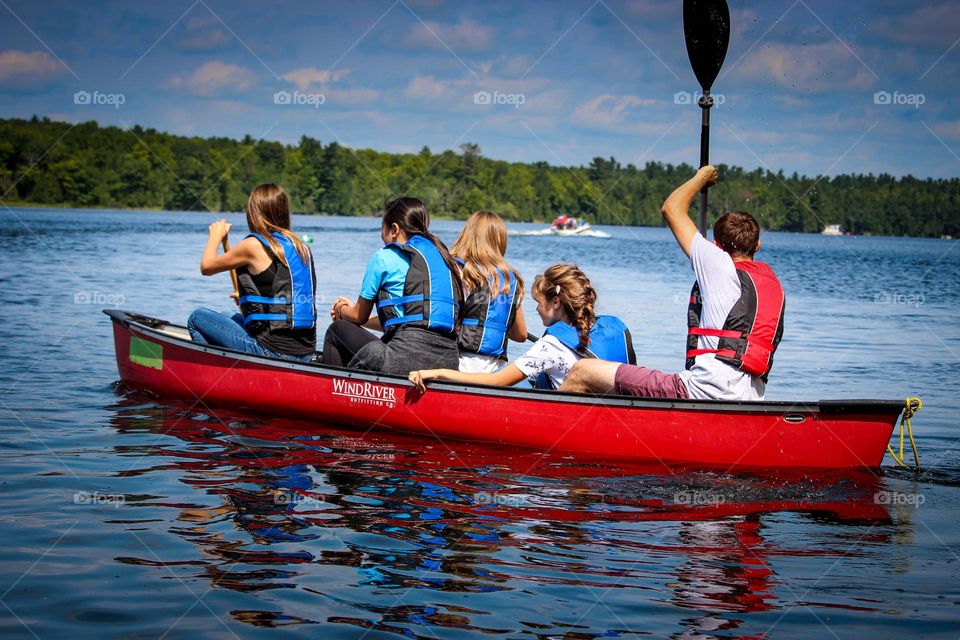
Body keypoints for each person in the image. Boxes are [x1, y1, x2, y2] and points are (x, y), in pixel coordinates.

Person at [561, 165, 785, 400]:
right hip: (750, 397)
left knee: (582, 370)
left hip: (702, 391)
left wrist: (701, 178)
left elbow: (671, 208)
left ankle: (559, 430)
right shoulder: (773, 285)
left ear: (716, 245)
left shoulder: (718, 263)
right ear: (757, 246)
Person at [408, 263, 635, 392]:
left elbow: (495, 382)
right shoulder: (614, 326)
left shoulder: (551, 345)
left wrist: (439, 373)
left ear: (556, 302)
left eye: (539, 302)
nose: (535, 309)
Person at [322, 197, 463, 375]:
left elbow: (358, 316)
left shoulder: (383, 257)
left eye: (382, 226)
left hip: (404, 358)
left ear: (394, 229)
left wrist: (341, 310)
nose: (381, 234)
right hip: (448, 361)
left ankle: (334, 395)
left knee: (336, 331)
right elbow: (404, 322)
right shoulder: (445, 259)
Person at [187, 184, 317, 360]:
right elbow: (283, 293)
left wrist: (215, 236)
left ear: (254, 213)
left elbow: (207, 267)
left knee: (197, 318)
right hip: (305, 352)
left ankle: (216, 374)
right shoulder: (301, 247)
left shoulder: (253, 245)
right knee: (228, 316)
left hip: (273, 351)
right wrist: (243, 297)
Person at [451, 210, 528, 373]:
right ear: (499, 242)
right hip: (495, 370)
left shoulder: (459, 271)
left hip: (459, 363)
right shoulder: (510, 279)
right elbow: (521, 335)